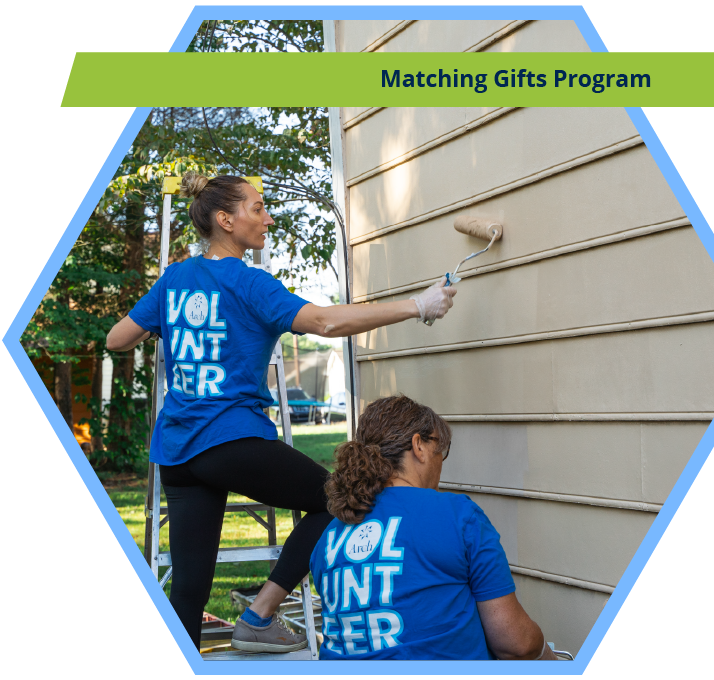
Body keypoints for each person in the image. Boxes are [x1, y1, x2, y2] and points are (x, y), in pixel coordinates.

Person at [106, 172, 457, 652]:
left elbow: (117, 339)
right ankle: (259, 615)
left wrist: (176, 326)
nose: (268, 218)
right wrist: (417, 305)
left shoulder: (175, 279)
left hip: (178, 452)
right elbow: (327, 321)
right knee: (337, 498)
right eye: (257, 208)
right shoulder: (251, 284)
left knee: (188, 588)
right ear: (225, 220)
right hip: (228, 437)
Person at [310, 395, 558, 660]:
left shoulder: (329, 538)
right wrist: (551, 659)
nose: (441, 461)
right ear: (419, 446)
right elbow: (515, 644)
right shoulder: (458, 515)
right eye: (442, 450)